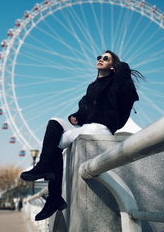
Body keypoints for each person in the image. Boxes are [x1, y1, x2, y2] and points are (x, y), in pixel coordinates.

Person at [20, 50, 143, 221]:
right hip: (85, 126)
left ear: (113, 65)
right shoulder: (92, 87)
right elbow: (85, 112)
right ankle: (51, 188)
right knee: (54, 123)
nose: (100, 59)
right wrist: (76, 116)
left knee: (56, 146)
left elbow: (123, 77)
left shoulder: (117, 83)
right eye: (99, 57)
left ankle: (53, 192)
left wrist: (118, 65)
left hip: (100, 128)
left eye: (105, 58)